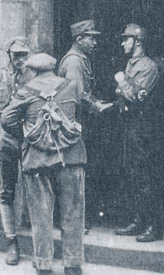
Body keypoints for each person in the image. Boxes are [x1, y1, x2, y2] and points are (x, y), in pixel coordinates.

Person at [0, 53, 87, 275]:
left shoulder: (26, 91)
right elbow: (80, 109)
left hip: (37, 161)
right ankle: (73, 264)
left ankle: (44, 265)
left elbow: (6, 119)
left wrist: (27, 133)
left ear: (33, 71)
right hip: (71, 158)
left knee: (41, 217)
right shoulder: (71, 85)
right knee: (73, 214)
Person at [0, 36, 31, 265]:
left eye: (24, 54)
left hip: (29, 139)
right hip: (5, 139)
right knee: (6, 190)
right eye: (17, 55)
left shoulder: (33, 76)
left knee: (33, 187)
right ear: (9, 55)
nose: (20, 59)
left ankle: (36, 241)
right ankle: (11, 242)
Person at [58, 20, 110, 229]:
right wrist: (96, 105)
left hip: (80, 121)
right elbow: (77, 93)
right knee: (74, 170)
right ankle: (75, 221)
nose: (95, 42)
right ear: (79, 39)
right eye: (91, 38)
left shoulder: (81, 59)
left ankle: (78, 219)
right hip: (76, 123)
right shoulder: (74, 62)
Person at [113, 24, 162, 242]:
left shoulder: (148, 66)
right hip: (130, 124)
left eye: (126, 39)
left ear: (137, 41)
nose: (123, 43)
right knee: (132, 172)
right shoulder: (132, 64)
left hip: (142, 127)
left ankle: (153, 226)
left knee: (144, 175)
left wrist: (122, 81)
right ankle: (138, 220)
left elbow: (135, 96)